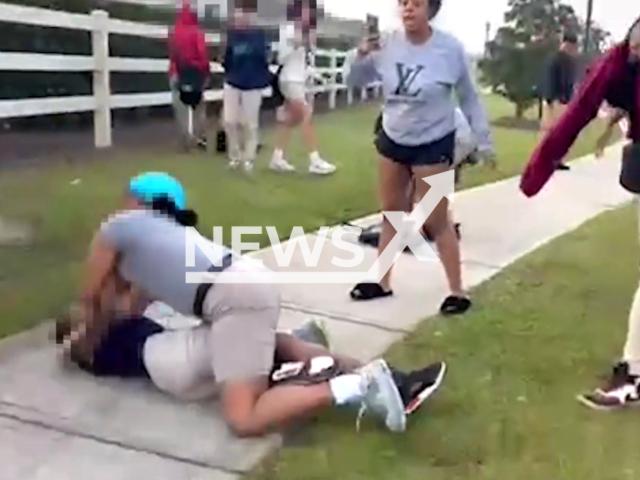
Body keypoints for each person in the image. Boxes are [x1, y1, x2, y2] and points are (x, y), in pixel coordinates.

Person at [62, 171, 447, 436]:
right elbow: (132, 309)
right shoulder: (172, 236)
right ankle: (390, 377)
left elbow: (90, 297)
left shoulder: (117, 226)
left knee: (244, 418)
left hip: (230, 298)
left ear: (137, 198)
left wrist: (85, 334)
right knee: (266, 341)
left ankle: (355, 386)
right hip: (249, 280)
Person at [343, 0, 494, 315]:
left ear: (431, 9)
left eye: (415, 3)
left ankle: (457, 291)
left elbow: (469, 97)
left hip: (433, 141)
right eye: (403, 3)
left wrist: (483, 141)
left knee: (437, 219)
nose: (407, 9)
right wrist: (360, 55)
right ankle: (382, 283)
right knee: (391, 215)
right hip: (393, 138)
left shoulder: (449, 50)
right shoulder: (386, 44)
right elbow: (353, 81)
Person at [520, 18, 640, 409]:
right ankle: (634, 371)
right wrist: (538, 170)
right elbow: (575, 116)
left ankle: (634, 371)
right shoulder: (615, 66)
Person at [269, 0, 337, 175]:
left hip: (297, 80)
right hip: (289, 80)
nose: (308, 14)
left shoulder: (307, 34)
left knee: (292, 119)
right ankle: (314, 160)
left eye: (310, 11)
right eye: (305, 10)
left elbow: (305, 63)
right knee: (306, 114)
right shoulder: (288, 30)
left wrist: (318, 75)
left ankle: (277, 157)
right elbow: (281, 58)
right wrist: (296, 44)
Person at [222, 3, 271, 172]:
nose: (239, 19)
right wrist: (229, 72)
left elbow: (264, 58)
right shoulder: (232, 35)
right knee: (229, 121)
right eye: (236, 16)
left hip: (252, 84)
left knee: (250, 123)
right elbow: (227, 57)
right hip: (233, 82)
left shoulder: (259, 36)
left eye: (242, 16)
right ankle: (234, 156)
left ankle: (248, 158)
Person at [168, 1, 210, 151]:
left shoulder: (173, 31)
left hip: (177, 71)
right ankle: (200, 137)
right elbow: (202, 54)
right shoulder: (197, 32)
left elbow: (172, 53)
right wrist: (206, 72)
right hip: (195, 72)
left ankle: (185, 139)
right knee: (199, 106)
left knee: (180, 107)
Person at [538, 32, 580, 171]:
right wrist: (551, 99)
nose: (574, 50)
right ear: (567, 45)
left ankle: (556, 159)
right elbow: (550, 80)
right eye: (573, 47)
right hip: (555, 100)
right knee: (550, 131)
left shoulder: (568, 61)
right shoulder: (555, 59)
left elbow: (570, 82)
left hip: (564, 101)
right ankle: (544, 160)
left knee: (560, 132)